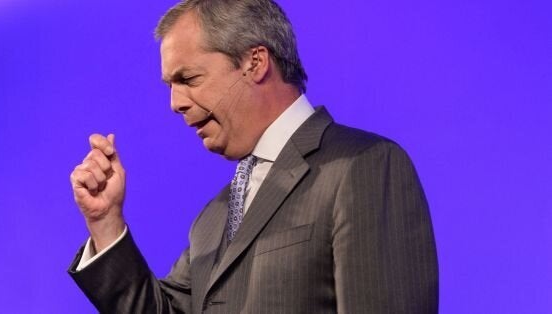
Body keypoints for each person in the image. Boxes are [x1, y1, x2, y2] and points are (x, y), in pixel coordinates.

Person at [68, 0, 438, 313]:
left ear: (255, 63)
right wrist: (106, 223)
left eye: (189, 79)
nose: (175, 103)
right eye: (170, 86)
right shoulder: (213, 219)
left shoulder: (363, 166)